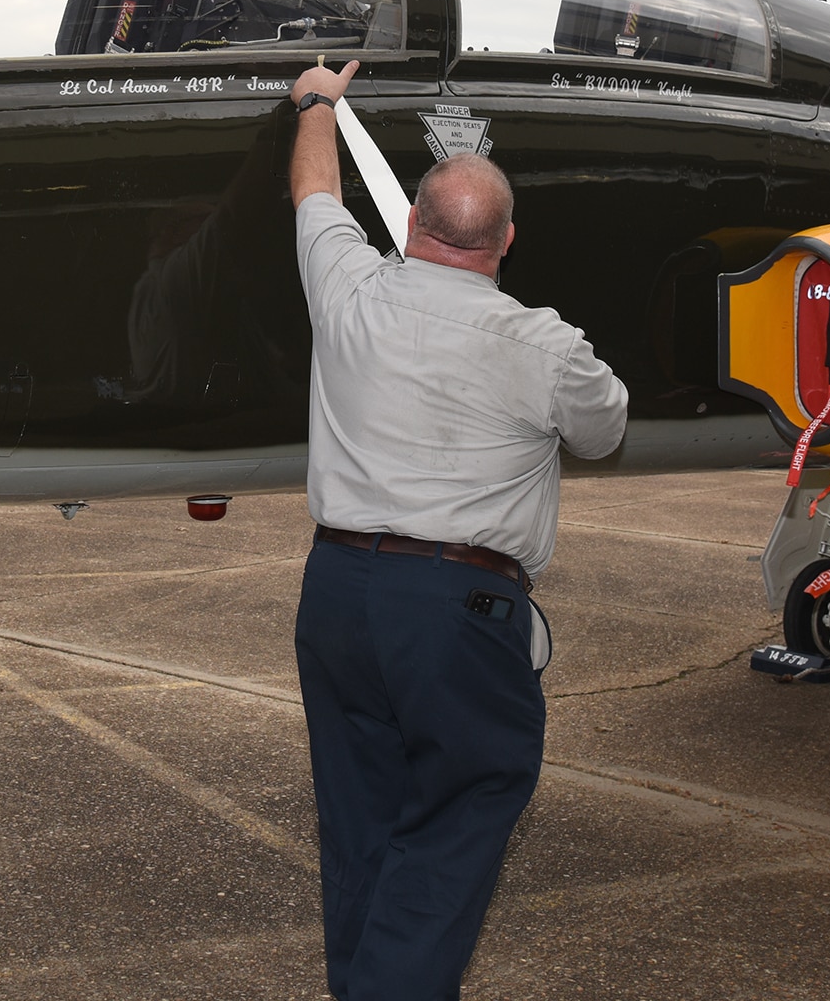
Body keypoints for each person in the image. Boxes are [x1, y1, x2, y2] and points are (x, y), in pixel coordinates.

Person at [288, 58, 629, 1001]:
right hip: (455, 609)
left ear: (410, 223)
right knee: (465, 807)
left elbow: (316, 192)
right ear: (508, 239)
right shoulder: (544, 343)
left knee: (362, 822)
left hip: (338, 595)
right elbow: (606, 429)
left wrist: (319, 100)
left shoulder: (348, 287)